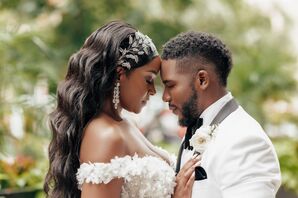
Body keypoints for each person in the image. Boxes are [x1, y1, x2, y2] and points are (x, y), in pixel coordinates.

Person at [43, 21, 200, 198]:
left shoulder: (125, 123)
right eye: (149, 79)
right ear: (120, 74)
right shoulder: (106, 135)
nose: (153, 91)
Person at [160, 31, 281, 198]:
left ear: (202, 80)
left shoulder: (245, 140)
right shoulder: (199, 127)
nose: (165, 96)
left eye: (170, 85)